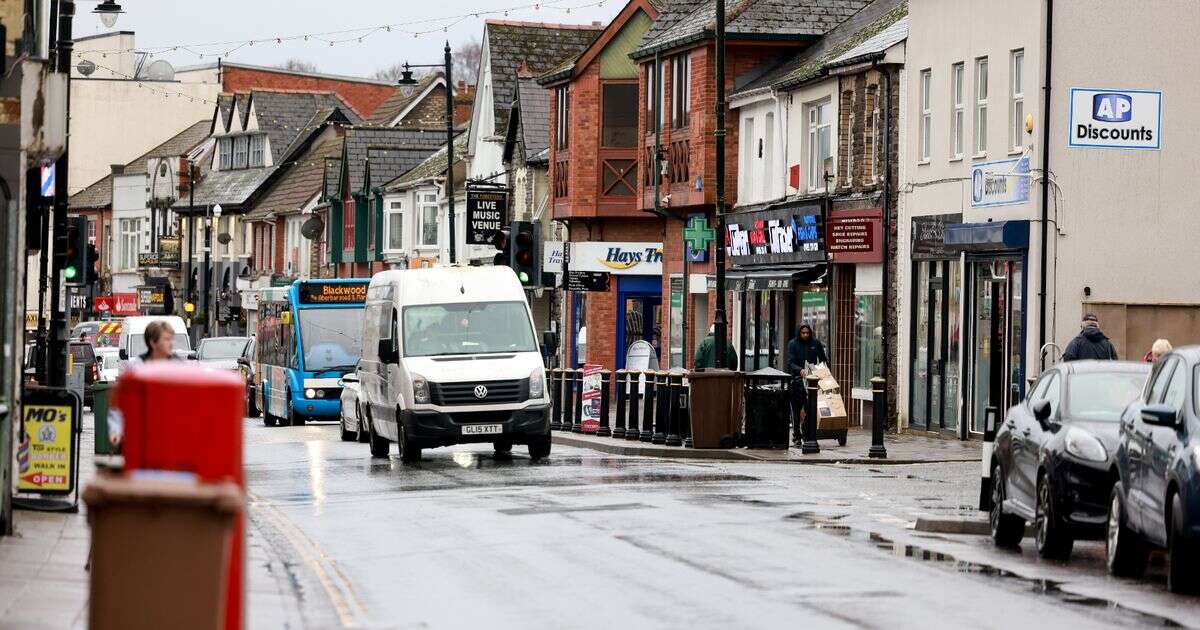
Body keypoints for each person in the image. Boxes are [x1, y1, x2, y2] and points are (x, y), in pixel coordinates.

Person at [109, 320, 180, 448]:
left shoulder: (180, 367)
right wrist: (116, 430)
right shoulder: (136, 368)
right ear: (153, 342)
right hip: (142, 436)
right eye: (166, 339)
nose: (171, 344)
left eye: (172, 339)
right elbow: (120, 403)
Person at [787, 324, 828, 444]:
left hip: (812, 381)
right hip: (797, 380)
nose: (805, 335)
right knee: (795, 410)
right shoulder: (793, 344)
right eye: (803, 333)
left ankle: (806, 432)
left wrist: (823, 371)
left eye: (807, 333)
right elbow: (790, 362)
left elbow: (823, 359)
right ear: (799, 333)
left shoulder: (816, 344)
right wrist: (800, 370)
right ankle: (796, 435)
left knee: (810, 408)